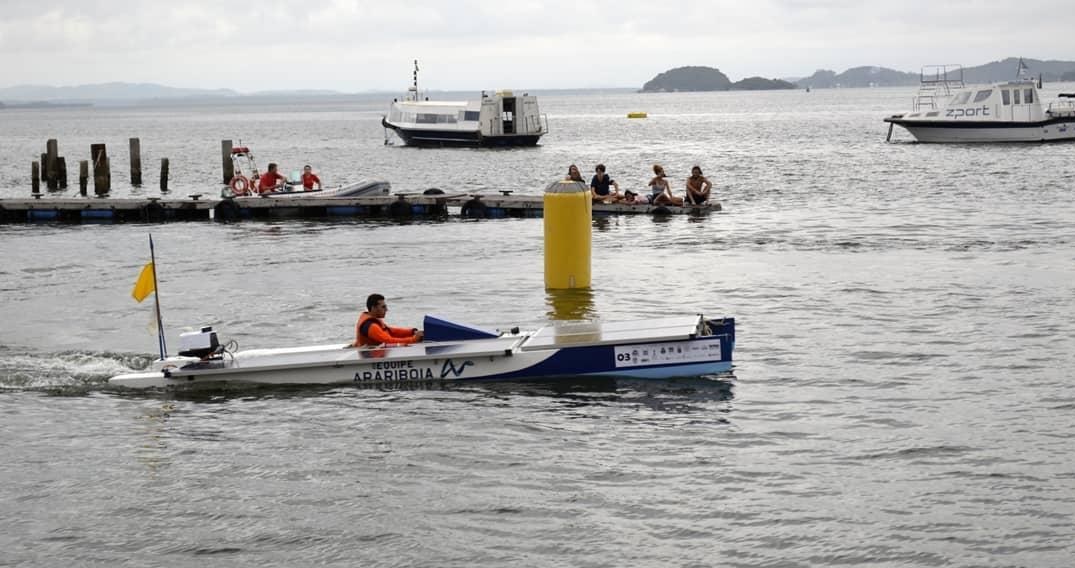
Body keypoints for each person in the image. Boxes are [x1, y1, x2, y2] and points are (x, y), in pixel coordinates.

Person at [352, 293, 424, 347]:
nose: (386, 309)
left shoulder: (373, 320)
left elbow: (391, 331)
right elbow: (388, 341)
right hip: (370, 360)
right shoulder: (371, 326)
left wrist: (412, 332)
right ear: (373, 308)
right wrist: (413, 340)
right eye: (383, 307)